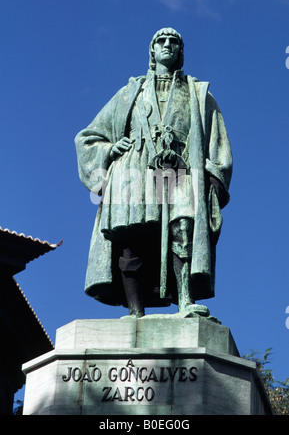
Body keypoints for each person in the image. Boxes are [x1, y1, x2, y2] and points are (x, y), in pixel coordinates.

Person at [75, 28, 232, 319]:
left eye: (174, 42)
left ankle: (185, 300)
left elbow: (217, 141)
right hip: (134, 167)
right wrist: (109, 149)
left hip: (182, 167)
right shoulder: (129, 93)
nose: (168, 45)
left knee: (183, 227)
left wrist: (215, 177)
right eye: (162, 41)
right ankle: (135, 312)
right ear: (152, 50)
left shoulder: (197, 92)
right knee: (130, 237)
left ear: (180, 51)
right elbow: (87, 137)